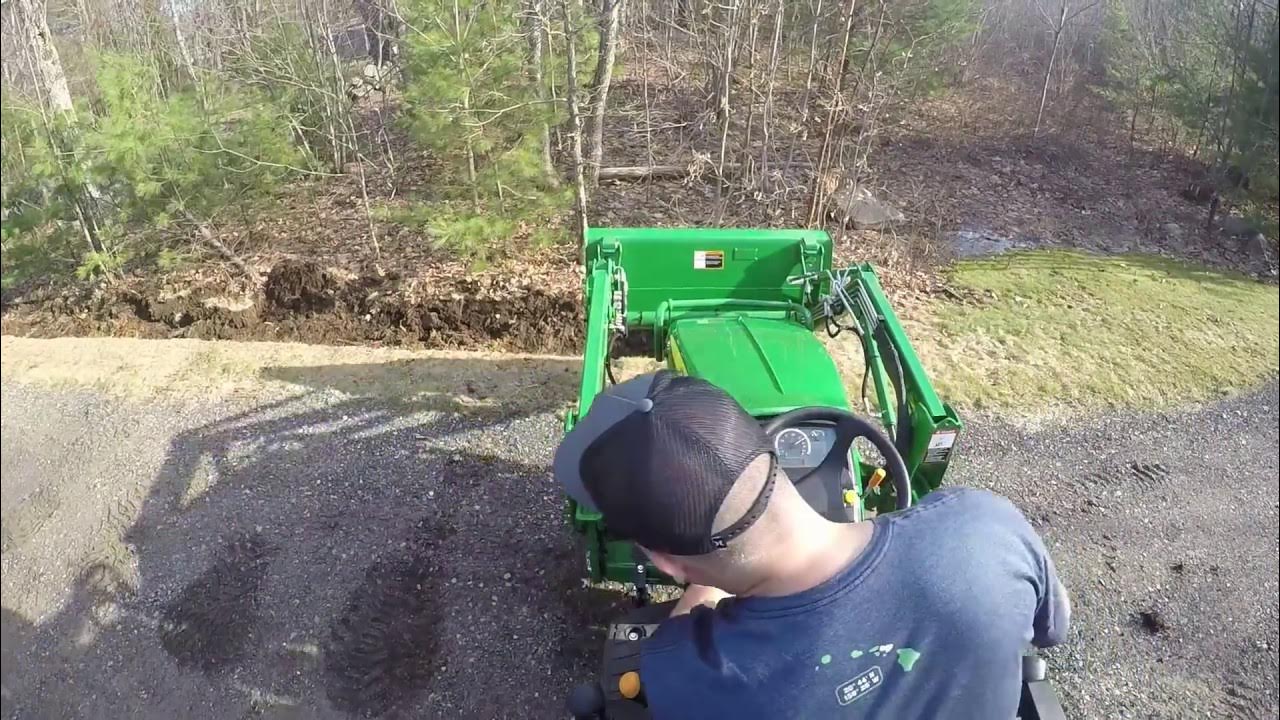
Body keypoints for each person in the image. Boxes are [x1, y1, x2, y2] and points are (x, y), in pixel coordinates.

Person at [554, 371, 1070, 719]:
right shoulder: (985, 526)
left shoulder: (688, 669)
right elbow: (1053, 628)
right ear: (765, 452)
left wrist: (701, 588)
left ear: (664, 560)